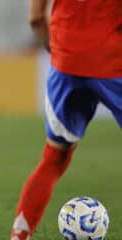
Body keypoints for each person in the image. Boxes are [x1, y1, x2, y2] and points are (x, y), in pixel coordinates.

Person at [10, 0, 122, 239]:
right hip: (114, 63)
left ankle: (19, 234)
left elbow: (35, 18)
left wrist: (62, 52)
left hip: (67, 64)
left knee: (54, 158)